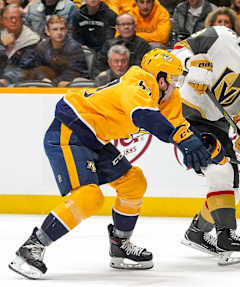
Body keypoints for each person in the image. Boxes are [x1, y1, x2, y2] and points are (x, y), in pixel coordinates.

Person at [8, 48, 211, 279]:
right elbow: (143, 115)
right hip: (70, 130)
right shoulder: (140, 81)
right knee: (89, 197)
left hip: (95, 139)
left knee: (134, 182)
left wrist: (202, 144)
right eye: (174, 79)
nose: (176, 85)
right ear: (161, 78)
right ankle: (31, 247)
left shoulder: (168, 97)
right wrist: (180, 140)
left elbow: (179, 125)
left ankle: (120, 245)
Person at [171, 15, 240, 265]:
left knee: (230, 191)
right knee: (220, 172)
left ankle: (197, 233)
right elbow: (177, 51)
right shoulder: (219, 37)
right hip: (186, 114)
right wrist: (192, 64)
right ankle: (226, 237)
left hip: (216, 125)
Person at [29, 15, 89, 86]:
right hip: (48, 83)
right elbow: (37, 67)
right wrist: (43, 78)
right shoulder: (41, 47)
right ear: (47, 31)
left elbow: (74, 72)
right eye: (55, 29)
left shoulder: (75, 47)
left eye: (62, 29)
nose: (59, 32)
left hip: (71, 84)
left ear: (66, 30)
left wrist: (52, 83)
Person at [0, 4, 41, 86]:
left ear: (22, 20)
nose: (14, 21)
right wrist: (2, 45)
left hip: (22, 83)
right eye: (10, 18)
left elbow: (24, 68)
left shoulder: (33, 40)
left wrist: (4, 79)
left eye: (17, 18)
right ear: (3, 21)